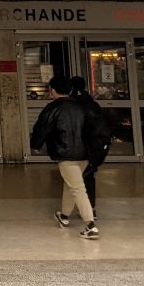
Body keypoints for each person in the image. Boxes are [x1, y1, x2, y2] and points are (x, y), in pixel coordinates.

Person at [30, 75, 99, 239]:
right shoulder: (81, 107)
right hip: (84, 154)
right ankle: (64, 216)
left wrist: (36, 146)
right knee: (72, 184)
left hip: (66, 154)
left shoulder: (53, 108)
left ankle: (90, 225)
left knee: (77, 188)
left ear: (52, 90)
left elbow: (42, 127)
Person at [70, 75, 110, 218]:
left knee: (73, 180)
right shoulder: (93, 104)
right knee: (89, 177)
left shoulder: (70, 105)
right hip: (93, 147)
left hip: (76, 147)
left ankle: (73, 211)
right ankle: (90, 208)